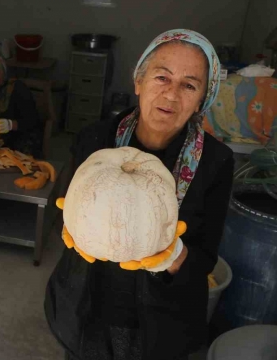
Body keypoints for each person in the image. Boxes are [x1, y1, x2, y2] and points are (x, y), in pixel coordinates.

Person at [44, 29, 234, 360]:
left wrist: (173, 256)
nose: (172, 95)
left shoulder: (216, 162)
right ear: (138, 82)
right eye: (162, 77)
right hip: (86, 302)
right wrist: (68, 221)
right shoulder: (95, 139)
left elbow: (206, 256)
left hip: (159, 321)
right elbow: (65, 210)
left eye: (189, 85)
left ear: (202, 99)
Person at [0, 54, 43, 157]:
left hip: (19, 135)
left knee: (24, 149)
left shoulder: (18, 89)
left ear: (3, 71)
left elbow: (32, 121)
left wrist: (11, 125)